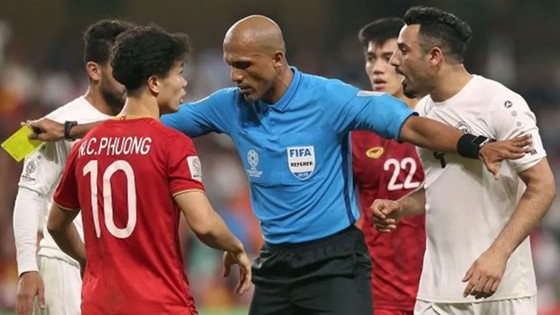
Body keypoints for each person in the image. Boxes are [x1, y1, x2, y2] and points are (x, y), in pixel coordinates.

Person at [26, 15, 531, 315]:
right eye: (229, 63)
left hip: (335, 262)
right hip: (276, 265)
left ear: (277, 59)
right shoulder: (228, 105)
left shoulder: (330, 99)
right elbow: (143, 129)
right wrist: (71, 131)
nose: (234, 75)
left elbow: (412, 127)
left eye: (244, 65)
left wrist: (471, 144)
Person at [46, 25, 252, 315]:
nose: (184, 83)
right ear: (155, 83)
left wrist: (89, 260)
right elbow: (203, 224)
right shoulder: (171, 143)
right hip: (161, 304)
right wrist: (236, 247)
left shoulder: (86, 145)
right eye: (179, 72)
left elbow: (55, 224)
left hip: (99, 305)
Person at [372, 6, 556, 315]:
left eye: (403, 50)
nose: (394, 61)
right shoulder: (423, 114)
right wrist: (401, 206)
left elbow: (543, 187)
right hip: (437, 293)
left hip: (501, 289)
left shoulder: (501, 104)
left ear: (434, 56)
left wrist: (498, 255)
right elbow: (441, 185)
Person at [12, 19, 134, 315]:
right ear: (94, 70)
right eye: (120, 68)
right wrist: (27, 268)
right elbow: (29, 195)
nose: (129, 77)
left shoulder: (136, 124)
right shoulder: (52, 123)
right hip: (64, 267)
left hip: (114, 268)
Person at [352, 17, 424, 315]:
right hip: (380, 292)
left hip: (443, 283)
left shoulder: (442, 125)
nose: (378, 68)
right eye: (371, 58)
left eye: (388, 57)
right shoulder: (354, 131)